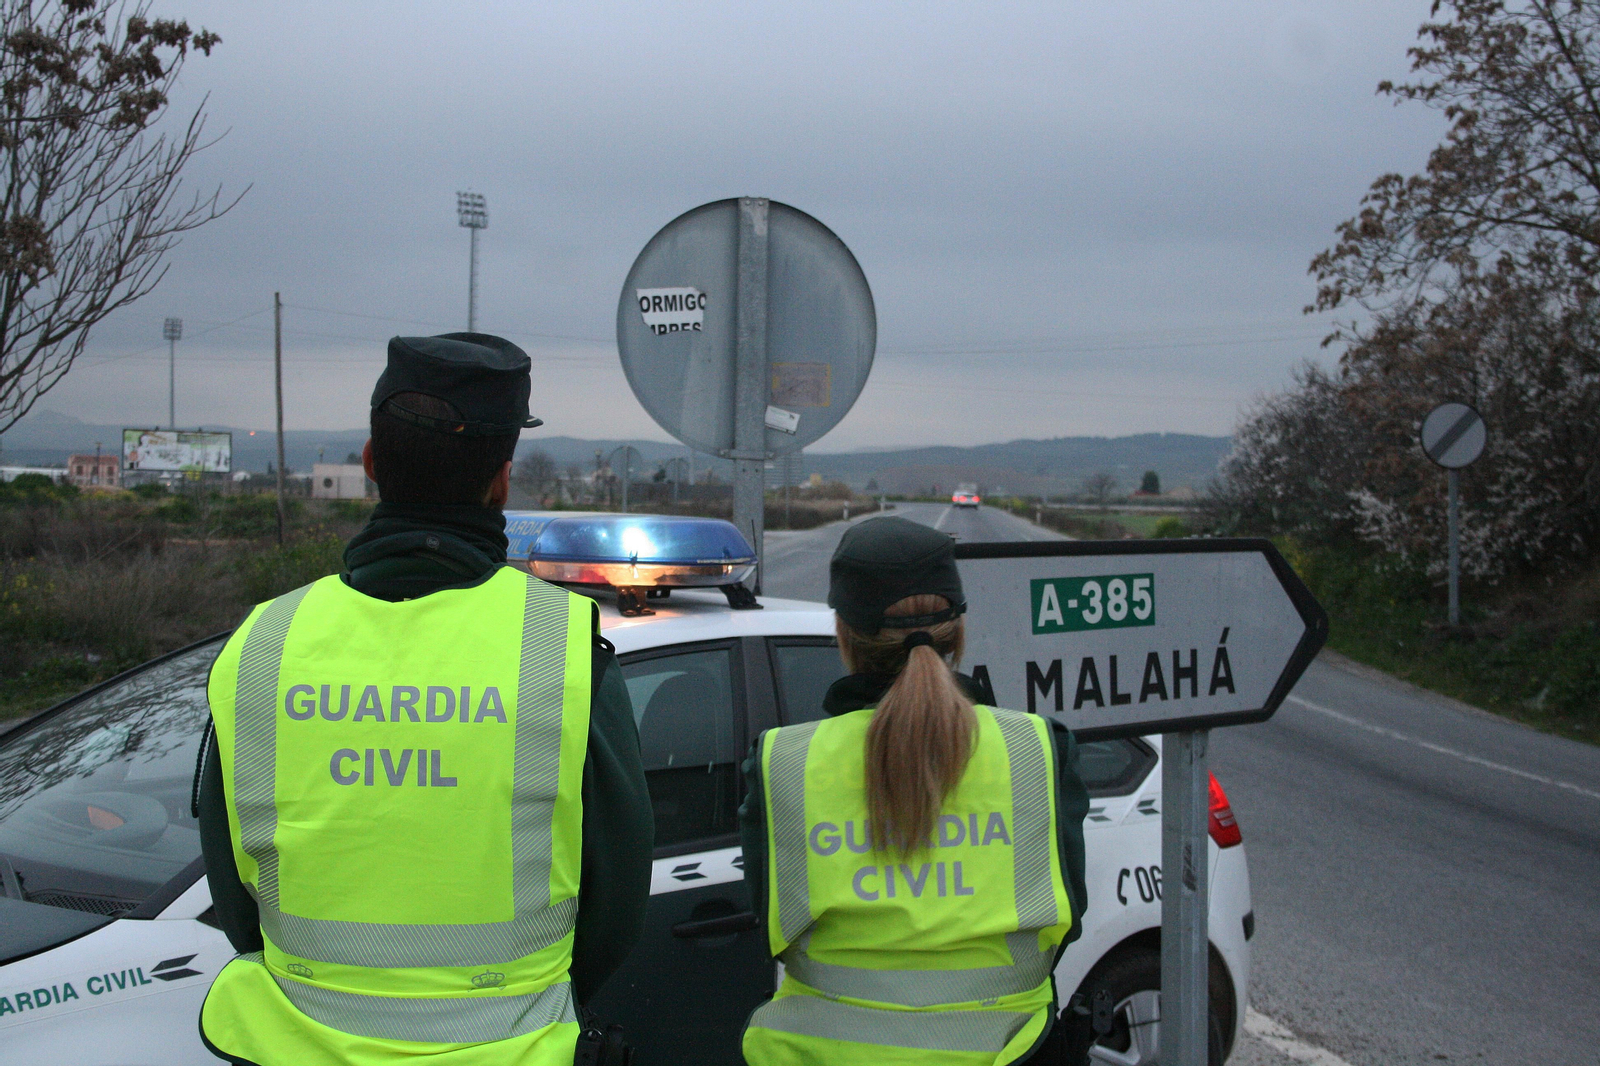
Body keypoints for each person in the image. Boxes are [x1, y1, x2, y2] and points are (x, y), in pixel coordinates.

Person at [196, 333, 654, 1066]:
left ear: (371, 463)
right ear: (502, 480)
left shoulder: (263, 644)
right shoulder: (560, 647)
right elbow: (618, 900)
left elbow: (232, 894)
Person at [739, 517, 1089, 1066]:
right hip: (1010, 1053)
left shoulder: (782, 761)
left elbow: (770, 927)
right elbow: (1070, 912)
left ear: (843, 633)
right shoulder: (1037, 749)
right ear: (958, 630)